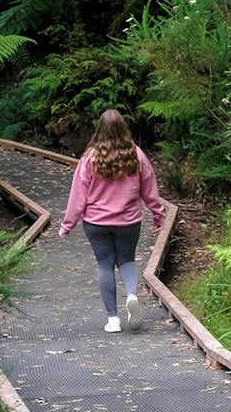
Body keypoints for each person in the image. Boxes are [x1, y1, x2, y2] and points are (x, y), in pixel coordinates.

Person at [59, 109, 167, 334]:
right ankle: (132, 296)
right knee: (126, 260)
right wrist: (158, 214)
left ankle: (113, 320)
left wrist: (67, 224)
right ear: (123, 129)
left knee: (105, 265)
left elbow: (78, 195)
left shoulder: (90, 158)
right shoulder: (136, 155)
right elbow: (149, 189)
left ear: (99, 130)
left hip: (96, 222)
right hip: (128, 221)